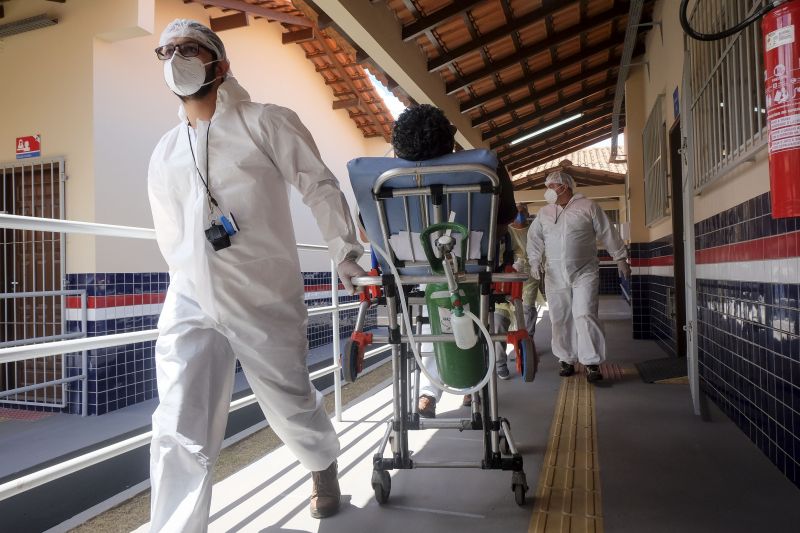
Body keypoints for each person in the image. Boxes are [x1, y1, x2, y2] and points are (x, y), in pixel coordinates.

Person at [146, 19, 366, 530]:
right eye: (168, 51)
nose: (177, 58)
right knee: (177, 423)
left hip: (261, 291)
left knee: (288, 401)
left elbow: (319, 185)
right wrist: (188, 282)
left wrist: (344, 251)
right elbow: (168, 229)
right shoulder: (165, 150)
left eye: (190, 49)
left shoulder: (265, 121)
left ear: (219, 63)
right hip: (191, 298)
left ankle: (321, 464)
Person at [389, 104, 516, 417]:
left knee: (432, 318)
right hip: (471, 267)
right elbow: (502, 224)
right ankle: (474, 388)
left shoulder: (385, 178)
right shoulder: (486, 169)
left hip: (413, 271)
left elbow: (370, 235)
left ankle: (428, 393)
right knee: (474, 319)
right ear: (451, 141)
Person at [526, 170, 630, 383]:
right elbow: (534, 239)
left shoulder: (588, 207)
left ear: (565, 186)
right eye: (548, 186)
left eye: (552, 186)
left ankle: (591, 362)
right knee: (559, 317)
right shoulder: (545, 213)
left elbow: (607, 232)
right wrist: (534, 261)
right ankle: (566, 359)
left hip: (585, 271)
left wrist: (620, 257)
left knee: (585, 314)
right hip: (554, 274)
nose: (549, 191)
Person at [493, 202, 543, 379]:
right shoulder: (504, 232)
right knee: (499, 321)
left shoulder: (535, 230)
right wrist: (512, 263)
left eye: (523, 212)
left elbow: (541, 252)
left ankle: (526, 348)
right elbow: (497, 256)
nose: (520, 215)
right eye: (517, 212)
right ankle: (500, 363)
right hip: (504, 282)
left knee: (527, 313)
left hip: (528, 278)